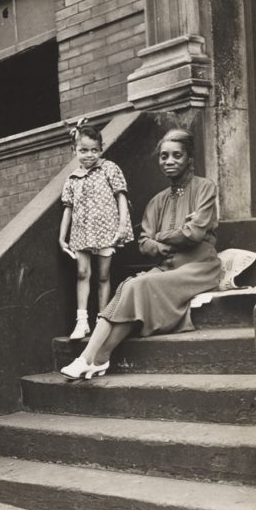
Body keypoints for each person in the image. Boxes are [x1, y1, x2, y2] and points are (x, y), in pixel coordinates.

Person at [61, 129, 222, 380]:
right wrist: (168, 239)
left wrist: (161, 237)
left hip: (199, 266)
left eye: (176, 155)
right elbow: (144, 244)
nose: (169, 161)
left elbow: (194, 233)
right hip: (167, 268)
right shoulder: (156, 201)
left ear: (189, 158)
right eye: (163, 156)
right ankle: (97, 359)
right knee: (130, 285)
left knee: (140, 284)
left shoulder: (205, 188)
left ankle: (88, 357)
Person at [58, 119, 133, 340]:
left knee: (103, 275)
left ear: (101, 149)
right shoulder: (72, 179)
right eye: (83, 150)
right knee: (82, 273)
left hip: (106, 230)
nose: (89, 155)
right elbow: (68, 209)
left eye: (94, 150)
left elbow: (121, 196)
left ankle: (103, 319)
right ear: (74, 151)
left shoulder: (109, 169)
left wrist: (121, 225)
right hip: (81, 232)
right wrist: (62, 237)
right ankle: (82, 321)